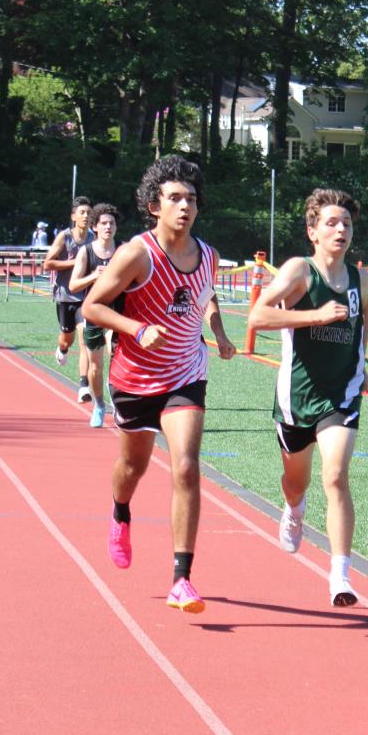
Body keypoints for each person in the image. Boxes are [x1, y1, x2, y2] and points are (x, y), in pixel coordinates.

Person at [81, 156, 236, 613]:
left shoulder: (208, 255)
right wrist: (137, 329)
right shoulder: (137, 254)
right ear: (155, 206)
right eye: (175, 198)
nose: (185, 206)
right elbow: (92, 306)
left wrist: (220, 333)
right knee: (133, 467)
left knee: (186, 465)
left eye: (191, 199)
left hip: (186, 373)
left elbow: (206, 295)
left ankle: (181, 579)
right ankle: (120, 513)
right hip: (135, 378)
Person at [247, 188, 368, 608]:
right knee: (296, 482)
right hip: (297, 395)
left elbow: (364, 318)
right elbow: (257, 316)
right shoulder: (300, 270)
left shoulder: (358, 278)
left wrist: (362, 361)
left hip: (342, 393)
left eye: (346, 223)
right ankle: (294, 507)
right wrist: (315, 315)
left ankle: (340, 576)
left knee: (335, 476)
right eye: (331, 223)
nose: (340, 230)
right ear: (313, 231)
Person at [69, 203, 121, 428]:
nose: (108, 227)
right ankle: (99, 405)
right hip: (94, 313)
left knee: (118, 361)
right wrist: (93, 276)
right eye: (104, 223)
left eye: (112, 223)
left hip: (118, 314)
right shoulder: (86, 251)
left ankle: (119, 405)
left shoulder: (123, 251)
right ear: (95, 227)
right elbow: (73, 285)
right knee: (95, 367)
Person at [44, 197, 94, 402]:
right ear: (74, 216)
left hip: (85, 296)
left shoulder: (94, 238)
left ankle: (83, 386)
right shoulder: (64, 237)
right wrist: (75, 262)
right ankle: (62, 349)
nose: (86, 216)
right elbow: (48, 264)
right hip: (65, 295)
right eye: (82, 212)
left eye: (88, 212)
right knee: (67, 338)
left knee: (84, 341)